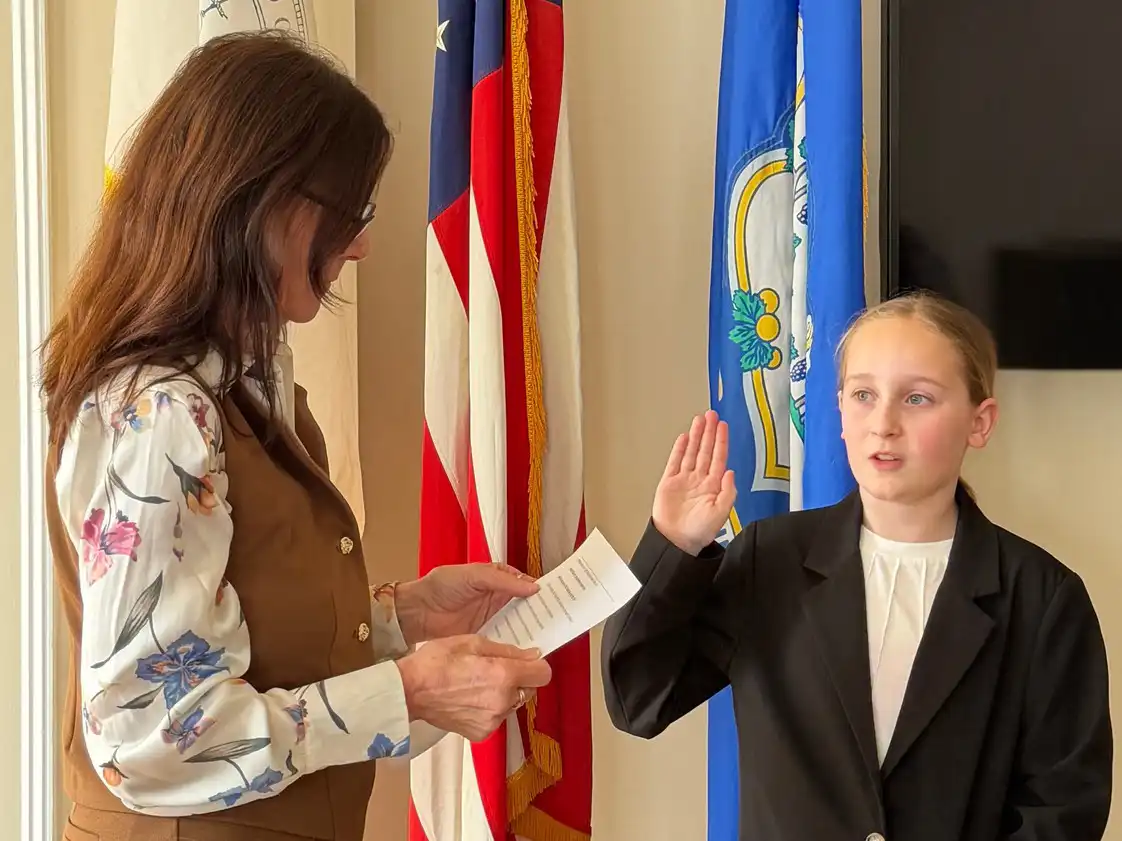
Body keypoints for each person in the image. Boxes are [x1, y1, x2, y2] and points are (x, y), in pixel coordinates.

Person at [42, 31, 550, 841]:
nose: (360, 243)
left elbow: (237, 628)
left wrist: (403, 618)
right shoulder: (162, 413)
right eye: (348, 212)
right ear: (261, 201)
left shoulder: (238, 381)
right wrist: (409, 691)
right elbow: (148, 740)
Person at [601, 291, 1112, 840]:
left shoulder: (1041, 597)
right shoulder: (768, 561)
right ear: (839, 411)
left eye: (917, 399)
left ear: (979, 422)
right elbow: (638, 701)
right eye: (864, 394)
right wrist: (674, 546)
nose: (884, 423)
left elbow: (1062, 810)